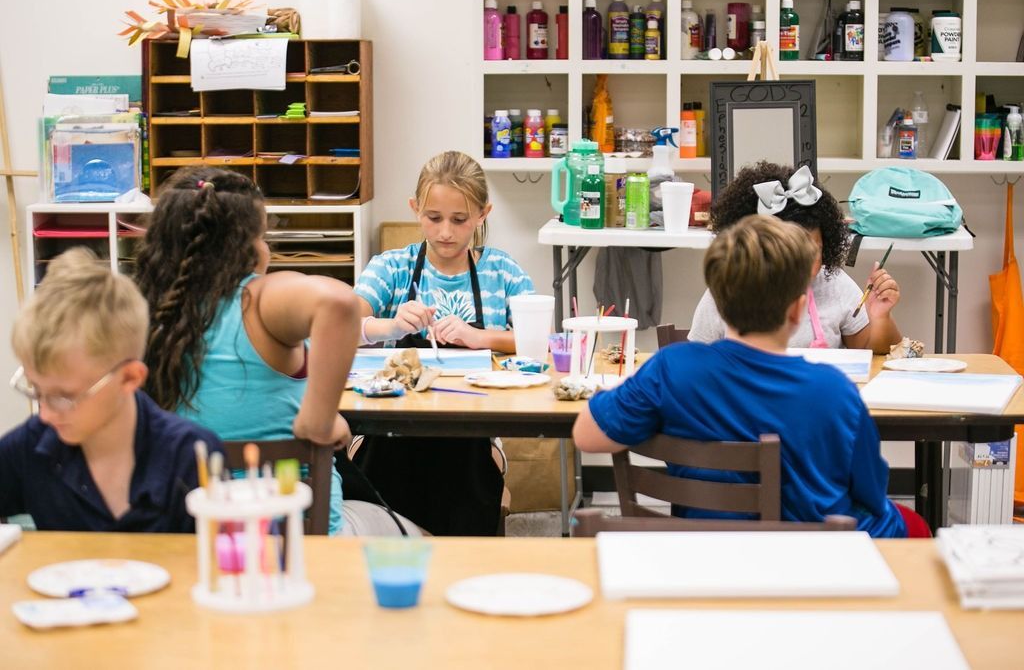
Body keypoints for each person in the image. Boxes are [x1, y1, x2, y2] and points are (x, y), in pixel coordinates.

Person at [574, 215, 930, 537]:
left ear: (717, 302)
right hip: (813, 568)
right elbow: (870, 493)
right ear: (798, 310)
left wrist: (633, 387)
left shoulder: (672, 368)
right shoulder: (834, 390)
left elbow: (586, 436)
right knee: (911, 525)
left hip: (703, 556)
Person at [136, 166, 417, 536]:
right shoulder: (257, 299)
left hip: (192, 541)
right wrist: (318, 419)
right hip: (293, 543)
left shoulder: (144, 309)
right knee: (421, 536)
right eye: (264, 237)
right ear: (247, 246)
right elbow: (340, 304)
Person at [352, 150, 535, 535]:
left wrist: (479, 337)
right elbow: (343, 323)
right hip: (392, 436)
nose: (445, 232)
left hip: (471, 438)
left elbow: (540, 341)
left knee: (460, 474)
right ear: (416, 209)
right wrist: (391, 326)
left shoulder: (501, 271)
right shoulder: (393, 267)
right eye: (433, 218)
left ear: (483, 214)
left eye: (459, 220)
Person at [0, 248, 223, 532]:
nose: (45, 414)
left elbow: (225, 565)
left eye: (64, 397)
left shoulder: (190, 456)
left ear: (129, 378)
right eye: (36, 390)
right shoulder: (32, 447)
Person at [689, 163, 902, 353]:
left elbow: (871, 349)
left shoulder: (834, 284)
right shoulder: (728, 289)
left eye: (814, 251)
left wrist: (881, 317)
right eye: (793, 252)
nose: (806, 263)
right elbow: (697, 361)